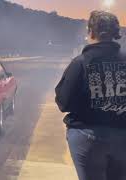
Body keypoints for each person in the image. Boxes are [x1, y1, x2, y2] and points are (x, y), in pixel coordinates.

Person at [55, 11, 125, 180]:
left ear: (91, 31)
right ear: (115, 33)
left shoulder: (81, 62)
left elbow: (64, 103)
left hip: (88, 136)